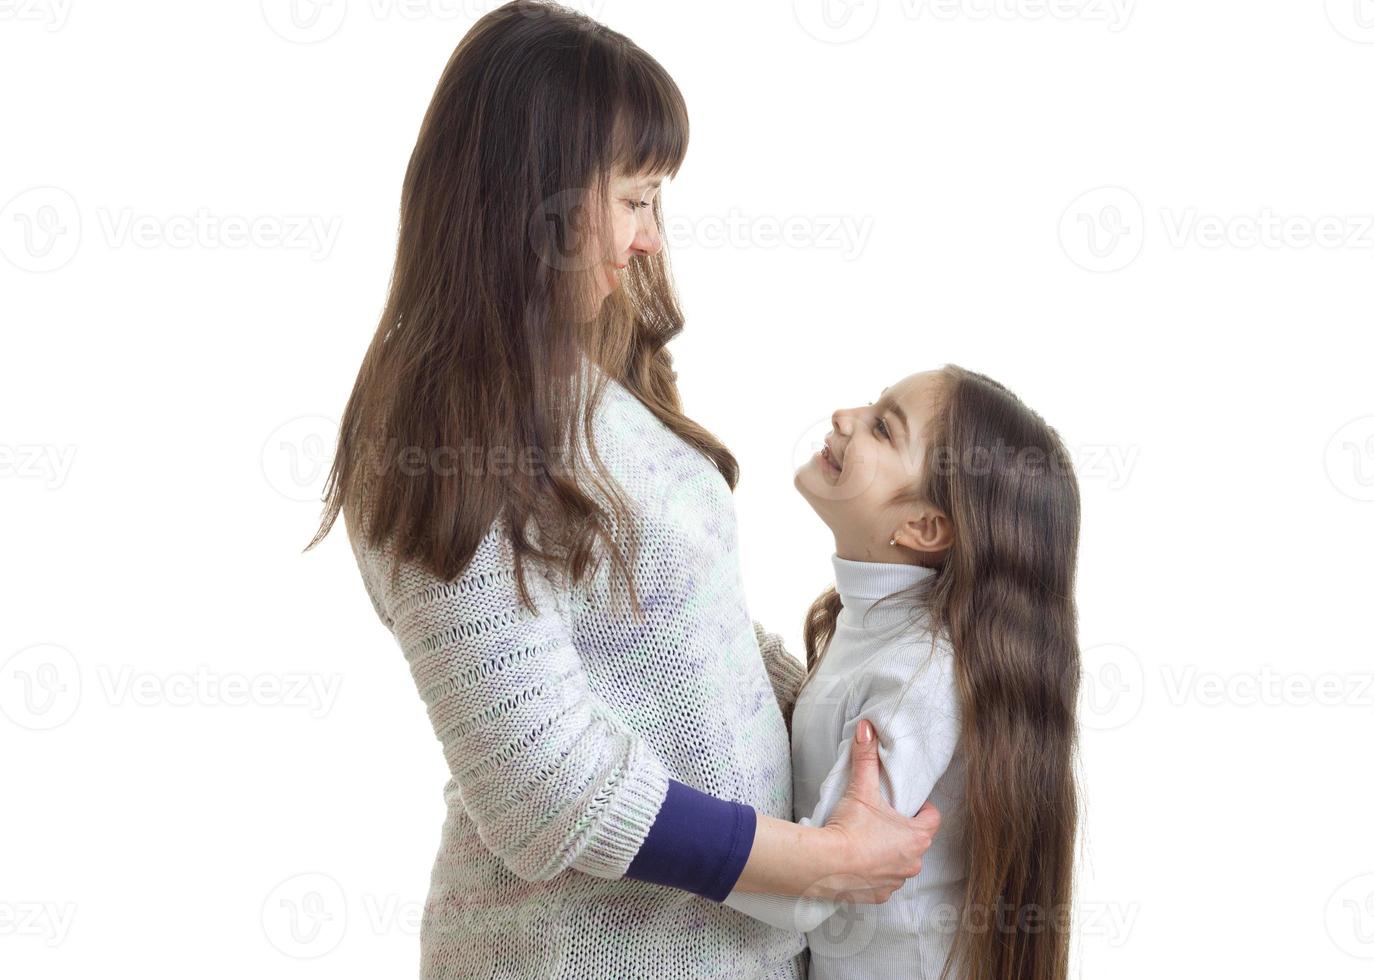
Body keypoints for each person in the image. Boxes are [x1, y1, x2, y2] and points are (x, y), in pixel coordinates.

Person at [304, 3, 939, 978]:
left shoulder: (587, 380)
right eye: (636, 197)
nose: (649, 240)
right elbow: (547, 784)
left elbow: (689, 626)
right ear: (537, 203)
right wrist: (822, 864)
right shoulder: (433, 432)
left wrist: (861, 706)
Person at [722, 368, 1083, 980]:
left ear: (922, 527)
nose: (844, 415)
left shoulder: (916, 674)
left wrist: (652, 835)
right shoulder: (883, 633)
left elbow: (811, 885)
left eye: (883, 428)